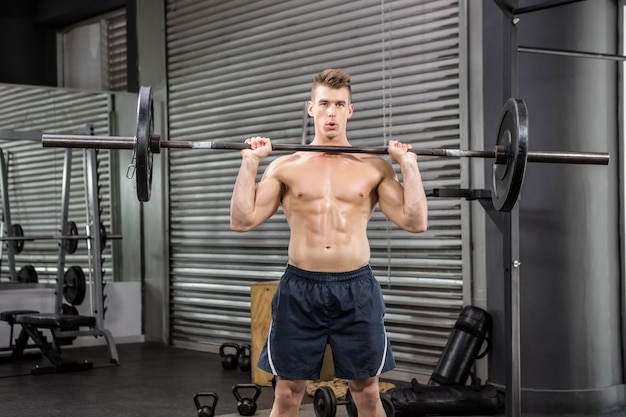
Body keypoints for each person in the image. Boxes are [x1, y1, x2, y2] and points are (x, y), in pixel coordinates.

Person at [230, 68, 428, 417]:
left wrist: (409, 166)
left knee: (367, 392)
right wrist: (250, 164)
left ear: (350, 110)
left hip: (357, 288)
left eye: (339, 104)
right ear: (311, 108)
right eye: (324, 104)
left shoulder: (374, 166)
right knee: (288, 393)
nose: (331, 112)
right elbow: (242, 220)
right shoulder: (285, 166)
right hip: (300, 288)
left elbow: (415, 222)